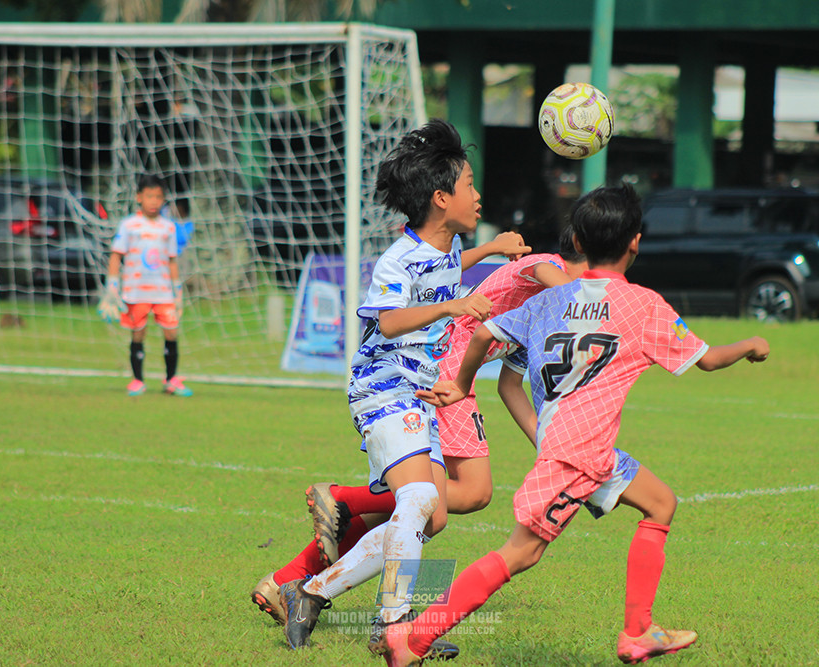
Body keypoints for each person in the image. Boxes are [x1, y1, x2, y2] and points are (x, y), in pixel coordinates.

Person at [375, 183, 770, 666]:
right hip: (578, 452)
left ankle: (638, 632)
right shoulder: (643, 305)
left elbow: (481, 332)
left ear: (577, 244)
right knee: (519, 554)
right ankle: (412, 641)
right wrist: (750, 343)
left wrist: (460, 382)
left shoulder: (549, 301)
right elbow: (708, 360)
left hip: (579, 445)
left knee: (660, 502)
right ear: (636, 243)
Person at [251, 224, 589, 633]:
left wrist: (555, 450)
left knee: (425, 507)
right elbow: (567, 289)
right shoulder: (547, 267)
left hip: (454, 377)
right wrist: (611, 307)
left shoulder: (550, 321)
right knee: (436, 504)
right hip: (442, 371)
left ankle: (294, 576)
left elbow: (509, 386)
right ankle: (370, 591)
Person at [274, 119, 531, 650]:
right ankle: (392, 629)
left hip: (419, 395)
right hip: (383, 386)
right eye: (469, 186)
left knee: (431, 516)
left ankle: (313, 590)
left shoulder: (441, 250)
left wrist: (489, 250)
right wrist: (455, 304)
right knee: (415, 500)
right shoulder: (396, 258)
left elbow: (446, 266)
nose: (478, 196)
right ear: (441, 198)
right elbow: (387, 321)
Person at [100, 173, 192, 398]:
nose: (154, 201)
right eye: (149, 196)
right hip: (135, 291)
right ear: (139, 197)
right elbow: (116, 256)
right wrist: (112, 287)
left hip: (163, 292)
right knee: (138, 333)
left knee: (171, 332)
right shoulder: (130, 225)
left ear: (163, 200)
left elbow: (172, 260)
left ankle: (171, 380)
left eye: (158, 197)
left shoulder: (168, 228)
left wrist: (177, 291)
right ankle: (138, 380)